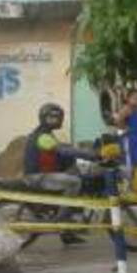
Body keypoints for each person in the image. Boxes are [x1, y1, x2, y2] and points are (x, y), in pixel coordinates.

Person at [24, 102, 98, 243]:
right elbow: (63, 150)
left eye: (58, 117)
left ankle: (67, 233)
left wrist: (82, 151)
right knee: (74, 182)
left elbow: (62, 149)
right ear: (44, 118)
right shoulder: (42, 136)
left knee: (74, 173)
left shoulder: (47, 135)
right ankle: (61, 220)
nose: (57, 120)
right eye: (53, 117)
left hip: (44, 174)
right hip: (38, 177)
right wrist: (91, 155)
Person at [113, 88, 137, 190]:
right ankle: (128, 189)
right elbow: (118, 123)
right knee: (130, 166)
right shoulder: (127, 109)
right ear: (128, 98)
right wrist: (124, 128)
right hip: (130, 142)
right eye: (134, 97)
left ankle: (135, 187)